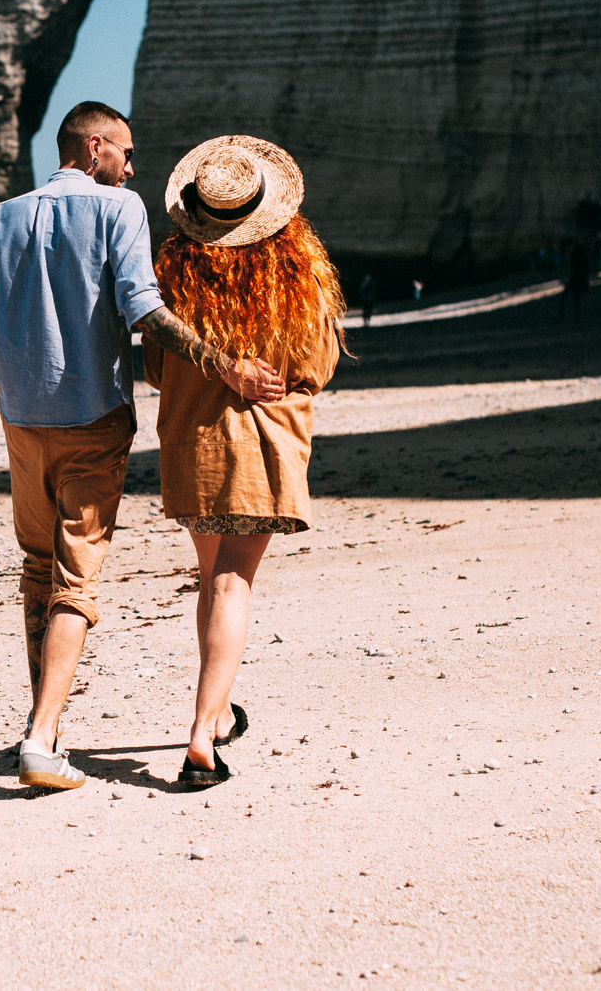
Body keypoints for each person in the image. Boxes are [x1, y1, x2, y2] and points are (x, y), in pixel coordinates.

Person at [0, 101, 285, 793]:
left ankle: (45, 724)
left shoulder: (4, 217)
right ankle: (38, 738)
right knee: (75, 581)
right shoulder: (121, 209)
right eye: (125, 151)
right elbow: (143, 308)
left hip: (21, 419)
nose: (132, 163)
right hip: (93, 417)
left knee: (37, 567)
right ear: (94, 148)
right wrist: (224, 364)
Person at [144, 137, 344, 787]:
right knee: (234, 583)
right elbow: (316, 368)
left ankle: (222, 707)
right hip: (262, 448)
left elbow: (153, 364)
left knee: (213, 582)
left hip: (192, 445)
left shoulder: (170, 273)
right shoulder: (299, 274)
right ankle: (202, 733)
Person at [557, 239, 591, 325]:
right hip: (579, 281)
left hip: (573, 281)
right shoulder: (584, 257)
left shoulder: (575, 257)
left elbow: (572, 269)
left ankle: (561, 313)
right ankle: (576, 318)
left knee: (564, 298)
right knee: (576, 301)